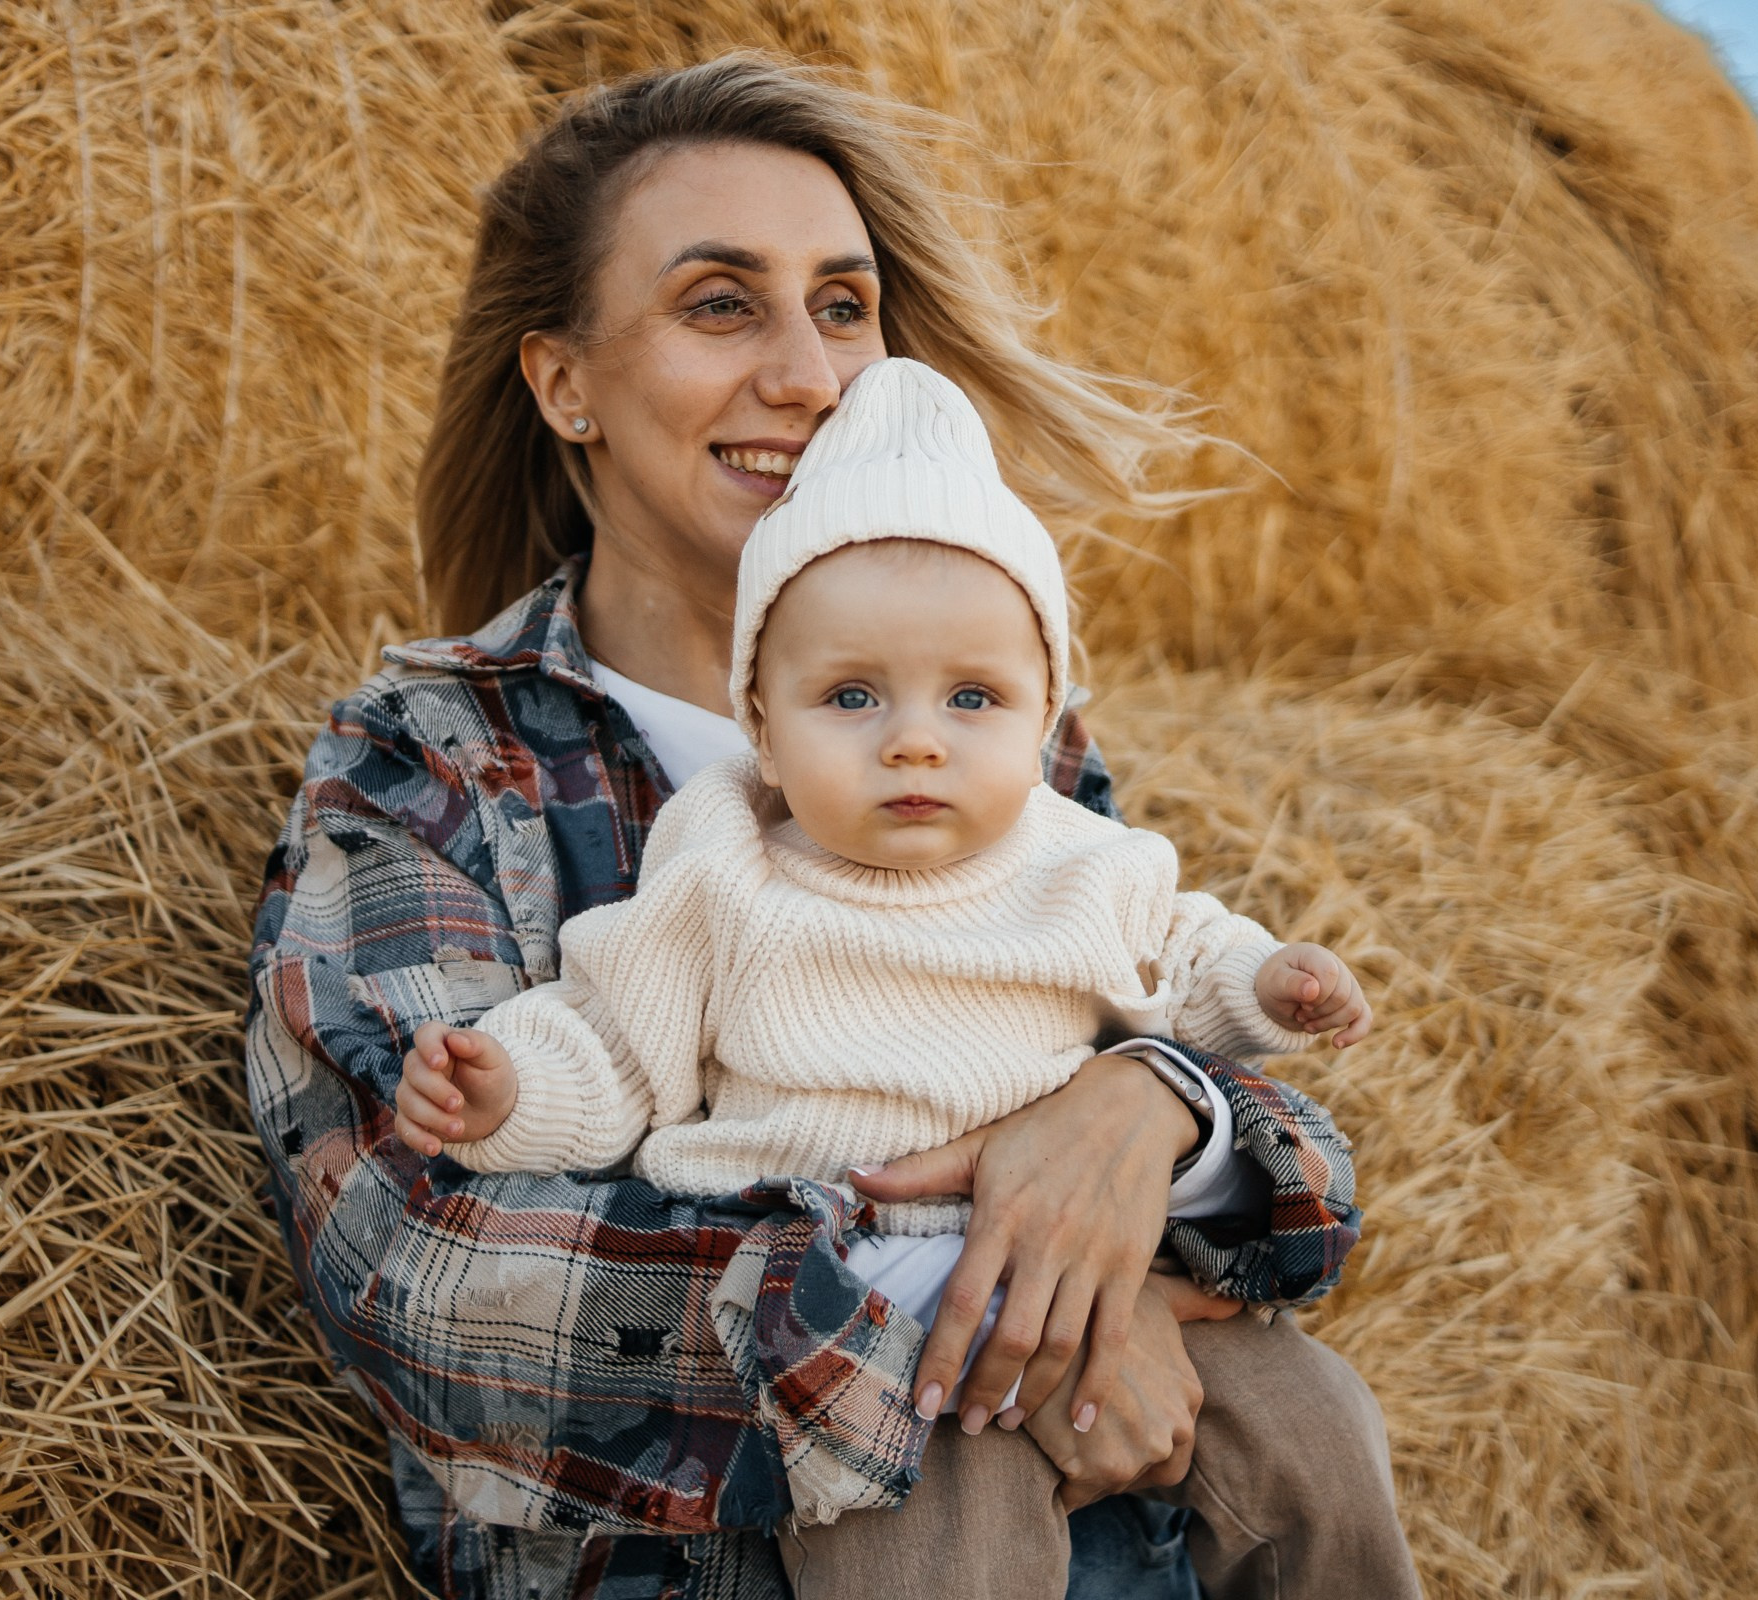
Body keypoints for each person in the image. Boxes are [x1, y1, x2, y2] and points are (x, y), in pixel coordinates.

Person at [242, 54, 1419, 1599]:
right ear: (565, 384)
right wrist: (989, 1311)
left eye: (844, 306)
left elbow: (1289, 1165)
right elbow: (419, 1273)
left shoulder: (1008, 730)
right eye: (720, 304)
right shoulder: (439, 759)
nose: (809, 375)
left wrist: (1154, 1115)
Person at [391, 357, 1412, 1597]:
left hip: (1095, 1270)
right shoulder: (725, 868)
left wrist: (1271, 982)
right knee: (934, 1560)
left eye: (973, 696)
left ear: (1043, 718)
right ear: (764, 726)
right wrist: (506, 1088)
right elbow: (615, 1045)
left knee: (1322, 1435)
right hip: (862, 1322)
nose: (915, 739)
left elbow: (1186, 958)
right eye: (852, 695)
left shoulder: (1078, 855)